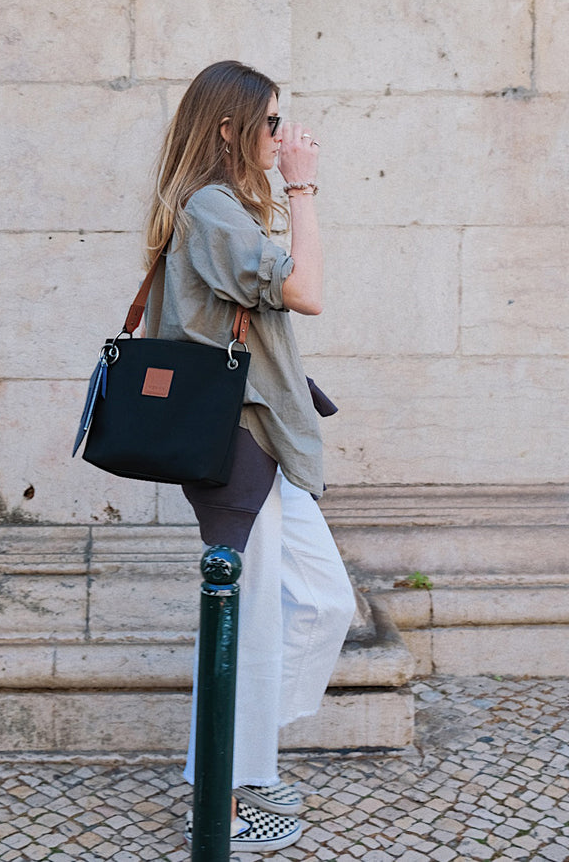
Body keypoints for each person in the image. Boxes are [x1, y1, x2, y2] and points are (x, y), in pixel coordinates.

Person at [143, 60, 356, 854]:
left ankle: (242, 764)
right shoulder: (209, 208)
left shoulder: (222, 207)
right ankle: (222, 795)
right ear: (230, 128)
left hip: (265, 438)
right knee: (249, 616)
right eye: (271, 123)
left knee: (320, 600)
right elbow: (307, 291)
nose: (282, 135)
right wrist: (303, 188)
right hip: (237, 446)